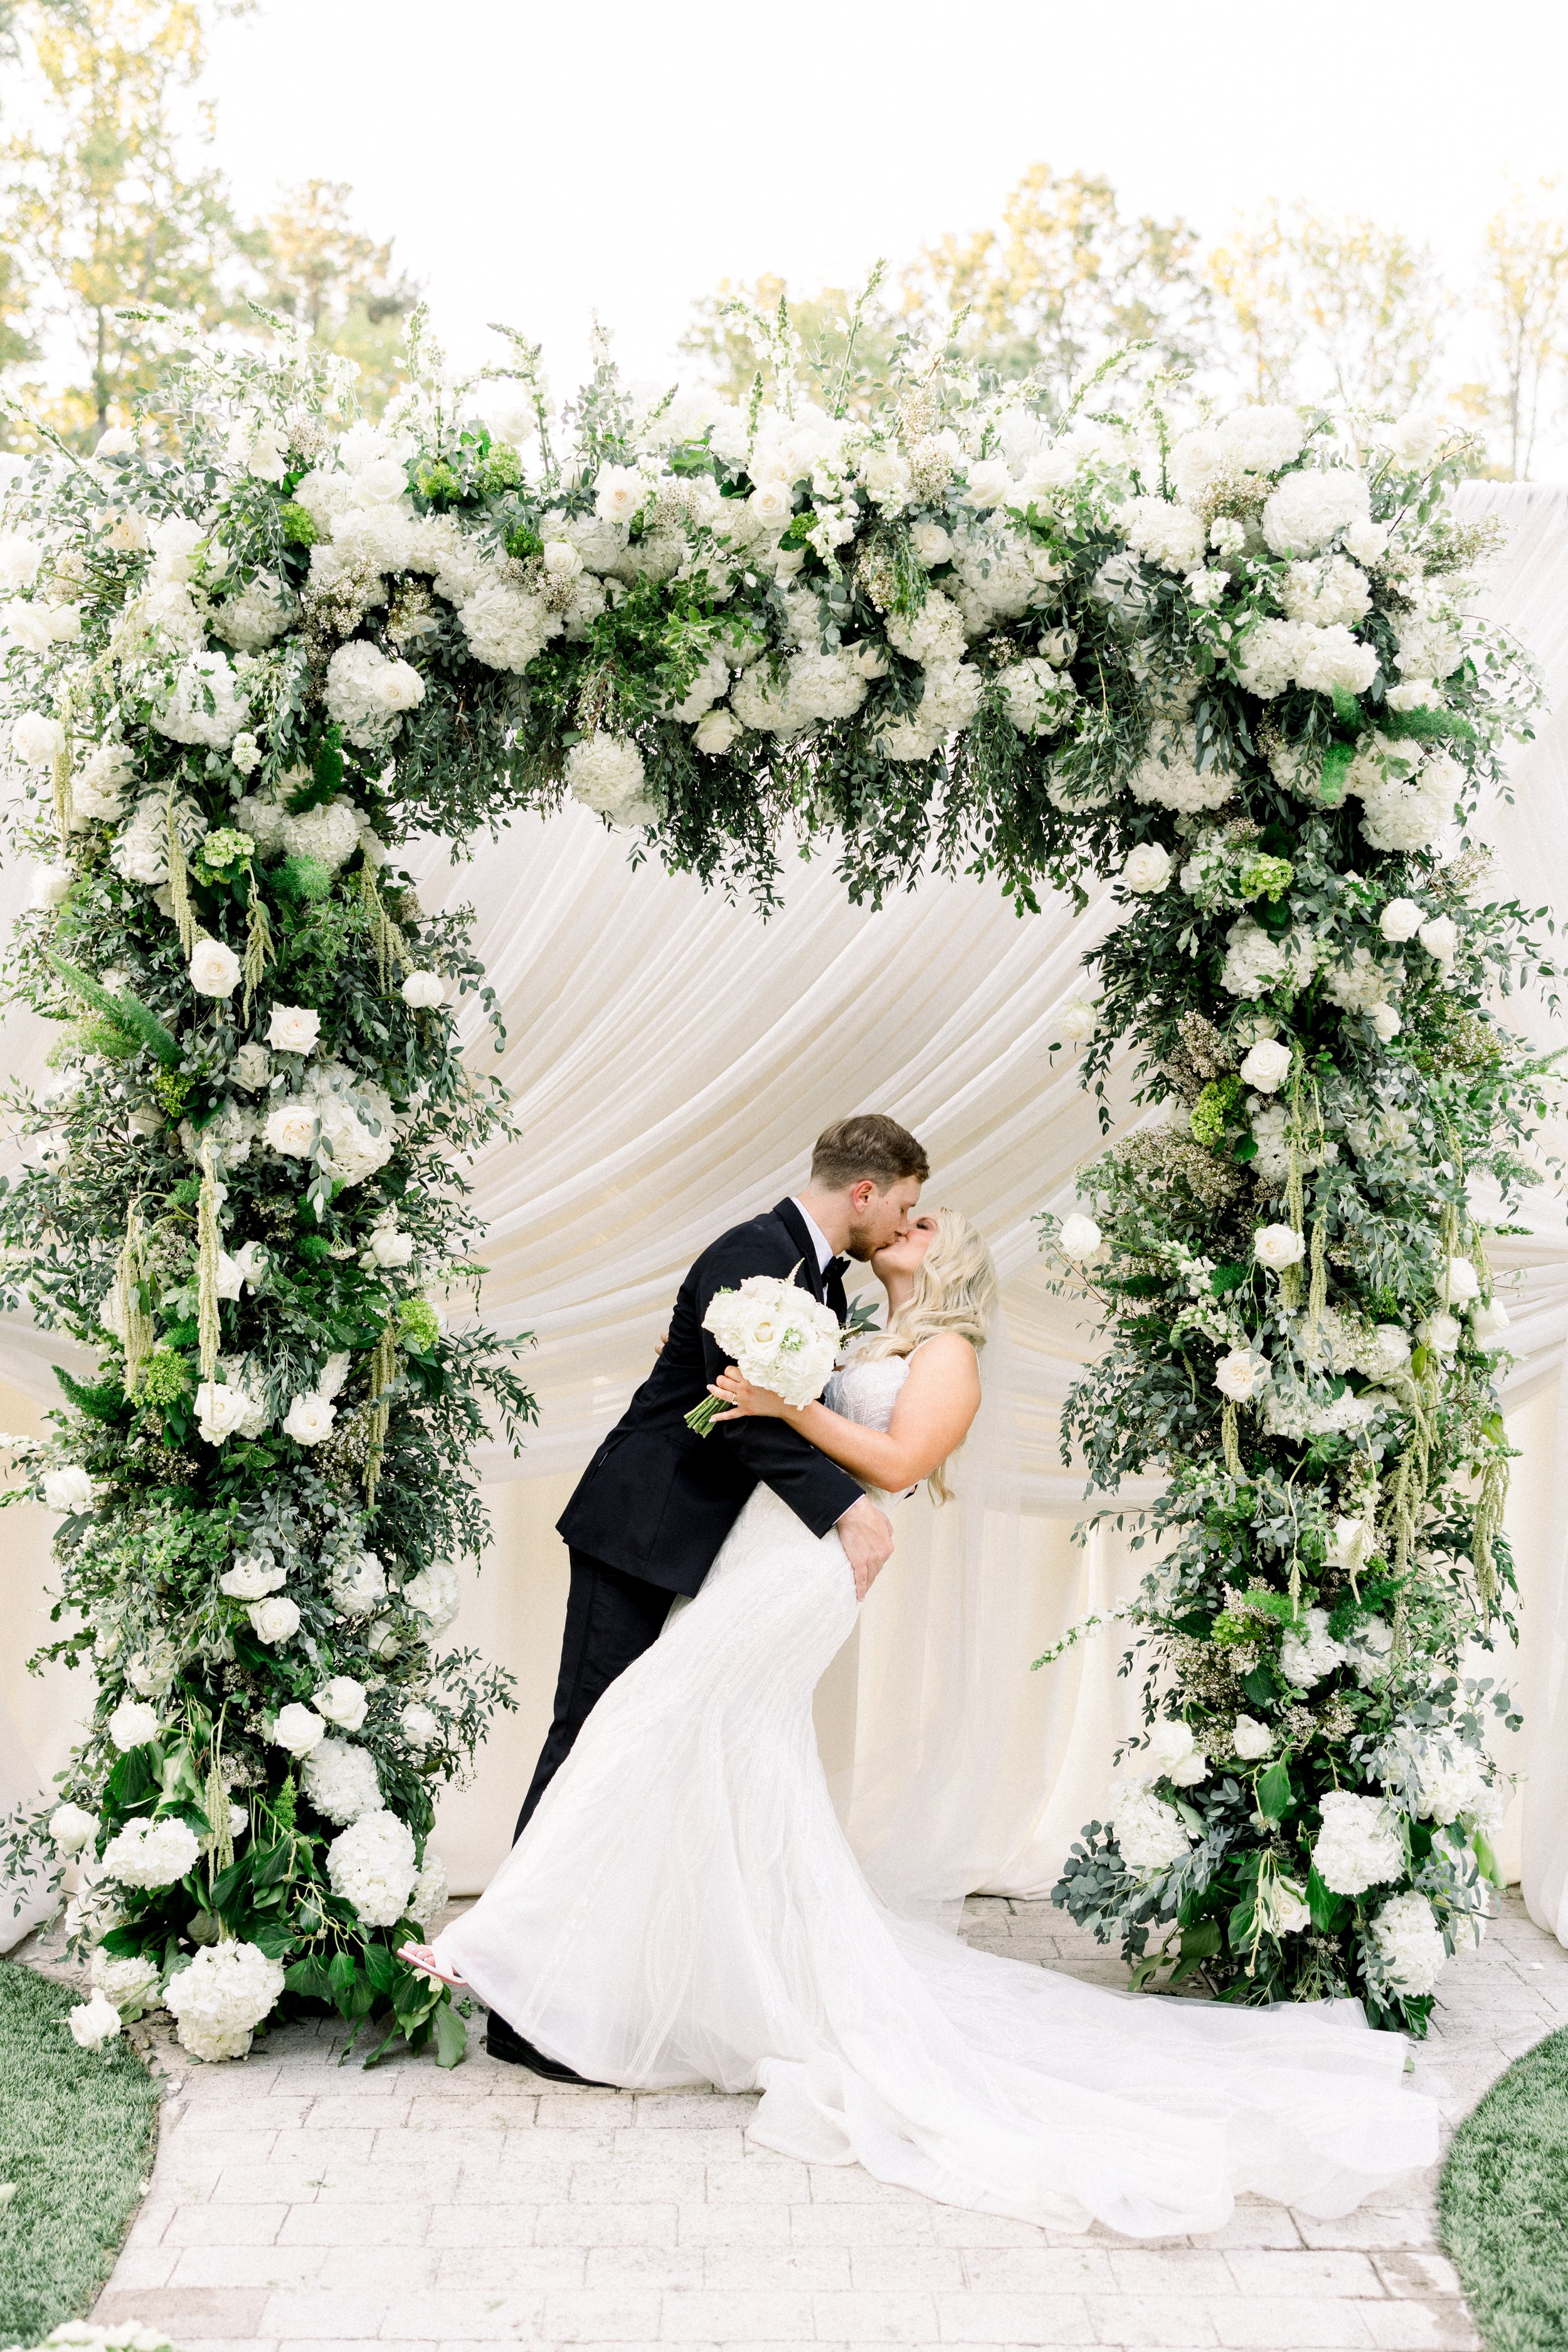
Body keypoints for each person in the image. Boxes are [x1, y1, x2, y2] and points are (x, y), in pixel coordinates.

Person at [400, 1203, 1438, 2237]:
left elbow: (894, 1466)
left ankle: (497, 1941)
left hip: (806, 1568)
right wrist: (774, 1395)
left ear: (954, 1256)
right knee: (722, 1761)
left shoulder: (951, 1352)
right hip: (755, 1551)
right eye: (911, 1204)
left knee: (642, 1723)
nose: (914, 1218)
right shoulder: (844, 1318)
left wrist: (782, 1403)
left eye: (933, 1218)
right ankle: (678, 1972)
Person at [482, 1113, 930, 2073]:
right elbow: (729, 1417)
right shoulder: (752, 1257)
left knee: (625, 1749)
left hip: (691, 1543)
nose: (903, 1223)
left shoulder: (818, 1277)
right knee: (586, 1740)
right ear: (864, 1189)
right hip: (638, 1526)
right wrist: (843, 1508)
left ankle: (573, 1979)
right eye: (902, 1204)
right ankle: (518, 2004)